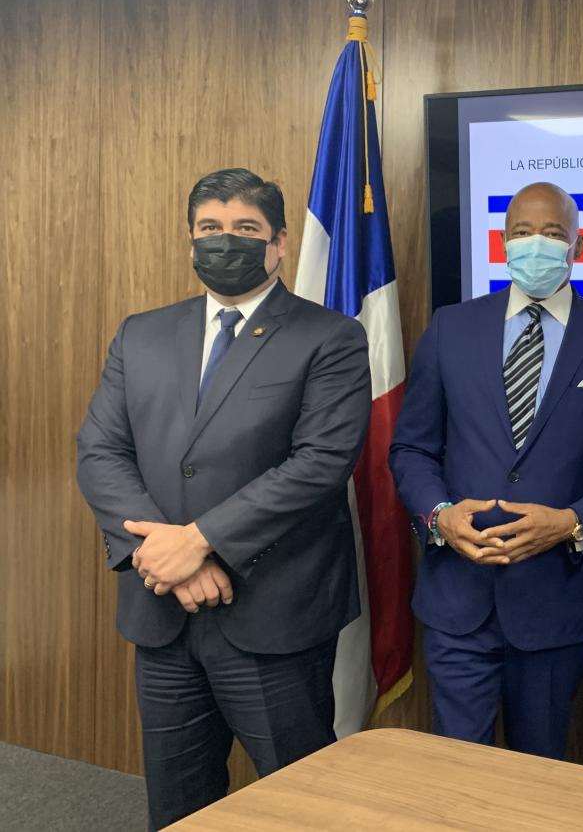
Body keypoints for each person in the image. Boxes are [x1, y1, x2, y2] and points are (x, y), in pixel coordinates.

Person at [76, 168, 372, 830]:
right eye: (210, 228)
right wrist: (163, 550)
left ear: (280, 243)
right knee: (179, 805)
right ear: (190, 239)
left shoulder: (331, 337)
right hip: (162, 611)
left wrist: (200, 540)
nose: (224, 242)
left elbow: (321, 462)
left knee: (300, 806)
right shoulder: (141, 334)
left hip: (276, 614)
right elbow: (100, 452)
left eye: (245, 229)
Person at [389, 181, 583, 759]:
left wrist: (572, 523)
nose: (537, 244)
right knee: (459, 772)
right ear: (502, 244)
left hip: (555, 601)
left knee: (540, 772)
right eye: (522, 233)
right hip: (458, 597)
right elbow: (411, 449)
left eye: (553, 233)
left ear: (578, 246)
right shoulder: (450, 329)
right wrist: (439, 517)